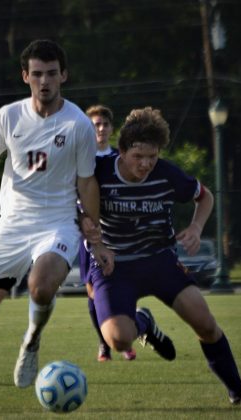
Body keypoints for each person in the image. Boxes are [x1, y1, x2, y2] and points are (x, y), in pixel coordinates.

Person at [0, 39, 113, 412]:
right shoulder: (9, 116)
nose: (44, 81)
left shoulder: (78, 123)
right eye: (36, 74)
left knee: (41, 286)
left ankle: (31, 339)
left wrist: (92, 231)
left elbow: (86, 182)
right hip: (12, 224)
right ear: (25, 76)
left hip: (58, 223)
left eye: (51, 73)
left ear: (64, 75)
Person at [82, 107, 241, 406]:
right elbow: (79, 213)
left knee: (205, 323)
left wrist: (196, 226)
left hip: (160, 261)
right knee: (118, 339)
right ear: (122, 150)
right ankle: (143, 322)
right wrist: (97, 244)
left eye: (152, 157)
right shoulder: (99, 174)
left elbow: (204, 196)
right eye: (138, 156)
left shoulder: (168, 174)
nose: (145, 164)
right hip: (115, 267)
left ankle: (240, 393)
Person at [82, 105, 136, 361]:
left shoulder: (120, 158)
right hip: (89, 233)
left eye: (104, 124)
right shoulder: (82, 158)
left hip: (118, 232)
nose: (100, 128)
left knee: (124, 284)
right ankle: (104, 342)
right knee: (93, 291)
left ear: (111, 128)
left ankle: (125, 338)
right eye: (95, 125)